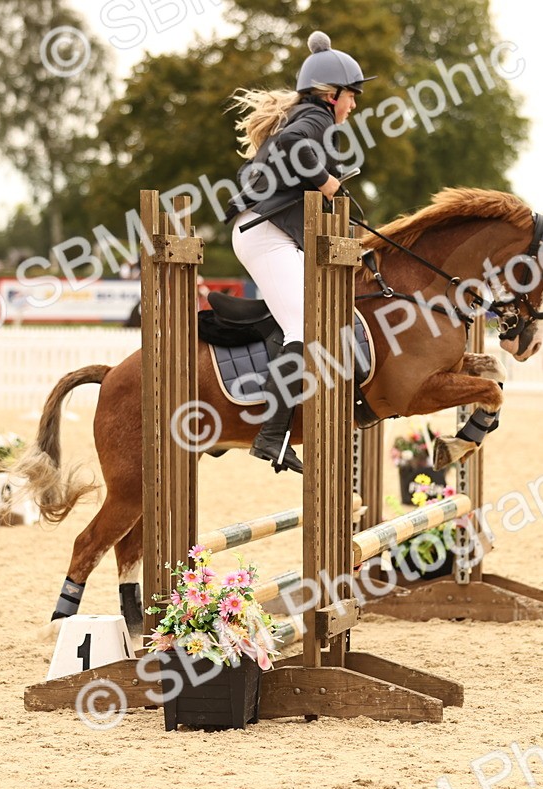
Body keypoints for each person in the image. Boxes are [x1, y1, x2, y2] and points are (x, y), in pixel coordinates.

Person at [224, 31, 374, 474]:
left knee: (315, 320)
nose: (353, 105)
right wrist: (326, 181)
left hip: (270, 231)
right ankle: (272, 436)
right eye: (352, 96)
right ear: (331, 94)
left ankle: (286, 424)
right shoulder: (315, 119)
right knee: (307, 327)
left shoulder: (312, 117)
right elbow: (291, 147)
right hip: (263, 233)